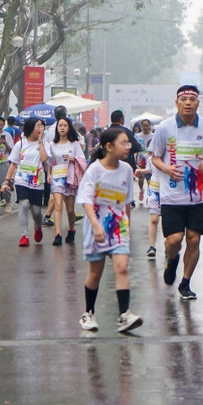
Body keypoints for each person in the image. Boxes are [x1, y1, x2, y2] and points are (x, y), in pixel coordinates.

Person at [147, 86, 203, 300]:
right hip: (171, 195)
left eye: (192, 99)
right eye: (183, 99)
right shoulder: (165, 128)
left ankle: (185, 283)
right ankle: (171, 259)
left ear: (198, 103)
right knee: (174, 240)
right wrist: (166, 168)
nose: (188, 103)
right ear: (176, 103)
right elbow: (154, 157)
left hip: (199, 195)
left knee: (193, 239)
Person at [77, 126, 143, 333]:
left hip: (118, 226)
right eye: (123, 143)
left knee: (121, 267)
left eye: (129, 143)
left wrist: (127, 229)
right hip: (96, 226)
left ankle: (124, 315)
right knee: (95, 274)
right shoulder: (94, 170)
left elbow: (126, 203)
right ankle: (88, 313)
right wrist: (96, 225)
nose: (128, 147)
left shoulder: (126, 170)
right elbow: (86, 201)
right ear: (109, 146)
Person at [4, 117, 49, 247]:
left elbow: (44, 159)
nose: (41, 129)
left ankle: (38, 227)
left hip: (37, 181)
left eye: (42, 126)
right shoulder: (20, 144)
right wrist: (7, 180)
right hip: (21, 180)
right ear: (30, 128)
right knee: (23, 205)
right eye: (38, 126)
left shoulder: (45, 144)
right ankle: (24, 236)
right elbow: (13, 164)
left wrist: (40, 142)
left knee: (36, 211)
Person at [48, 116, 87, 247]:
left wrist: (73, 159)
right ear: (57, 128)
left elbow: (82, 159)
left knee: (70, 210)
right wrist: (49, 174)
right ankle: (58, 234)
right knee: (58, 205)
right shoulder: (52, 145)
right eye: (60, 125)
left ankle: (71, 229)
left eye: (65, 125)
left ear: (69, 127)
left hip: (70, 178)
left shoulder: (74, 144)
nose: (62, 128)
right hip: (57, 178)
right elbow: (49, 161)